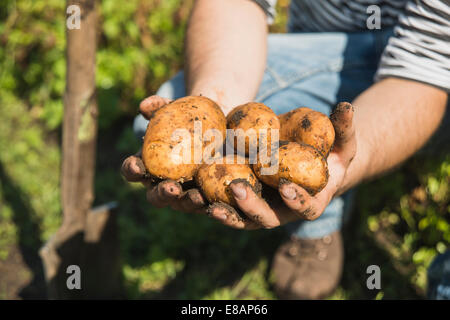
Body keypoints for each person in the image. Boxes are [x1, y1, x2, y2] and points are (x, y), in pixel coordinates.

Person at [121, 0, 449, 299]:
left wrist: (350, 162)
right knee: (167, 110)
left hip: (434, 72)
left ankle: (323, 208)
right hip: (323, 48)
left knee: (315, 148)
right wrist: (215, 105)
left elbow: (426, 69)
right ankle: (310, 200)